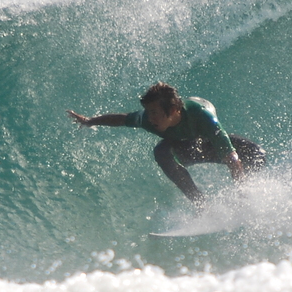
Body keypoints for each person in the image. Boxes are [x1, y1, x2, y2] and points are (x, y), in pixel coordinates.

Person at [68, 82, 264, 203]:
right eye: (148, 112)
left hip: (207, 142)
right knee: (161, 151)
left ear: (172, 111)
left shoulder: (202, 117)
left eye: (154, 113)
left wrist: (242, 192)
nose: (150, 118)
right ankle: (201, 204)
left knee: (257, 154)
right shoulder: (147, 119)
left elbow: (230, 156)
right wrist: (89, 121)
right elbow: (121, 118)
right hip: (185, 148)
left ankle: (250, 194)